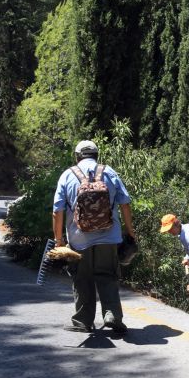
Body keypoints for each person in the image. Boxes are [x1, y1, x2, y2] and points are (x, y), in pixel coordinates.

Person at [52, 140, 135, 333]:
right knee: (108, 276)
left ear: (77, 156)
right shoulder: (110, 172)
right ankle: (112, 316)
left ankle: (83, 322)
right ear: (97, 155)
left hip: (79, 239)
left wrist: (59, 242)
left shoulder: (67, 175)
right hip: (109, 237)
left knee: (82, 279)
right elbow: (125, 204)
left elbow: (57, 211)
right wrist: (130, 231)